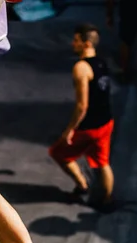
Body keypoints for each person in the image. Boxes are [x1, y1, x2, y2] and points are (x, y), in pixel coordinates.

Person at [49, 23, 115, 209]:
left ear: (86, 44)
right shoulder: (101, 63)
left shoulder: (81, 68)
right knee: (103, 163)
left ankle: (82, 186)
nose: (73, 44)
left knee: (58, 153)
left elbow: (82, 105)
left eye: (76, 40)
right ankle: (108, 200)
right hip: (106, 122)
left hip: (89, 127)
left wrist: (69, 130)